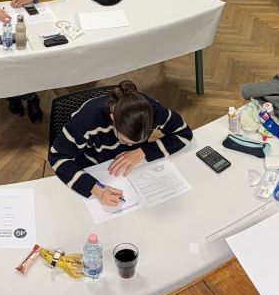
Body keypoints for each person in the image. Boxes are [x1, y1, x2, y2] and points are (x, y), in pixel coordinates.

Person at [47, 80, 193, 205]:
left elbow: (184, 133)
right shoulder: (87, 118)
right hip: (93, 166)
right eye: (123, 140)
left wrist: (141, 151)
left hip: (133, 170)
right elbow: (57, 157)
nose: (129, 146)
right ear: (113, 118)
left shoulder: (152, 110)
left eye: (139, 140)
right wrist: (96, 189)